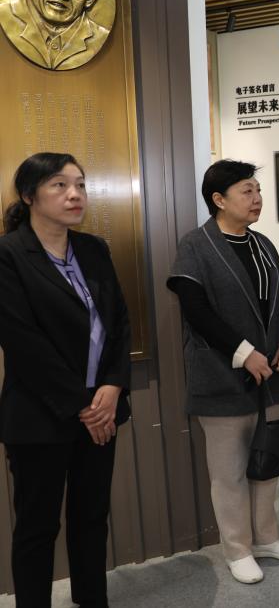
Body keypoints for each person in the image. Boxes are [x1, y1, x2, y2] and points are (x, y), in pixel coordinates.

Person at [0, 153, 131, 606]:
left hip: (102, 408)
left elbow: (118, 322)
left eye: (80, 184)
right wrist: (84, 405)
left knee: (91, 516)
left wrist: (112, 386)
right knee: (37, 527)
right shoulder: (8, 255)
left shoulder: (93, 249)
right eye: (59, 185)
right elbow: (23, 342)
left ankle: (92, 599)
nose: (75, 194)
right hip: (41, 415)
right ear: (29, 195)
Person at [168, 160, 279, 584]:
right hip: (221, 377)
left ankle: (266, 537)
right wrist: (245, 353)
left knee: (267, 461)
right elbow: (195, 310)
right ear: (219, 199)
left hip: (270, 377)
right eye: (247, 191)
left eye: (257, 190)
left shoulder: (263, 243)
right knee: (228, 472)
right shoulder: (196, 245)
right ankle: (237, 549)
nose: (257, 198)